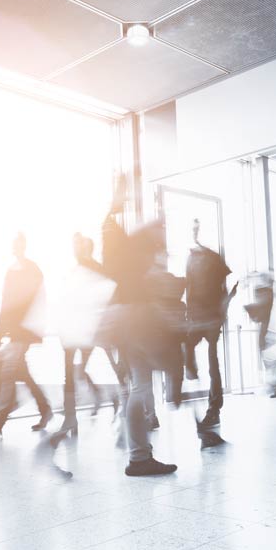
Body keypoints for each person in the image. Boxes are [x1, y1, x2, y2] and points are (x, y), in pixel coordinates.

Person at [100, 177, 178, 476]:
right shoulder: (118, 240)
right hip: (134, 315)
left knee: (139, 385)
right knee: (142, 385)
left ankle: (138, 455)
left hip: (126, 315)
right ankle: (138, 457)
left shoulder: (113, 237)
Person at [0, 233, 53, 433]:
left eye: (18, 243)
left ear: (23, 246)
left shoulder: (32, 269)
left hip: (24, 329)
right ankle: (45, 409)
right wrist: (1, 326)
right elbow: (5, 300)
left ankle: (0, 418)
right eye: (14, 243)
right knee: (21, 372)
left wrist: (34, 327)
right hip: (15, 329)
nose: (16, 247)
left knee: (8, 371)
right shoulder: (12, 271)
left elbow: (38, 300)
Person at [55, 233, 116, 435]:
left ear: (85, 248)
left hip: (87, 329)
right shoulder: (79, 271)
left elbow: (102, 298)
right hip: (76, 329)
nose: (75, 249)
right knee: (72, 372)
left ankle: (112, 398)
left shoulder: (90, 270)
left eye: (78, 245)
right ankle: (74, 415)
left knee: (74, 372)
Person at [183, 219, 232, 427]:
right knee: (192, 350)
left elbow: (224, 289)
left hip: (210, 317)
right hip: (197, 316)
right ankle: (192, 370)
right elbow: (189, 287)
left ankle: (214, 409)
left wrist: (222, 312)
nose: (195, 233)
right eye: (193, 229)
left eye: (197, 229)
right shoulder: (192, 258)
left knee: (213, 363)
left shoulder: (214, 259)